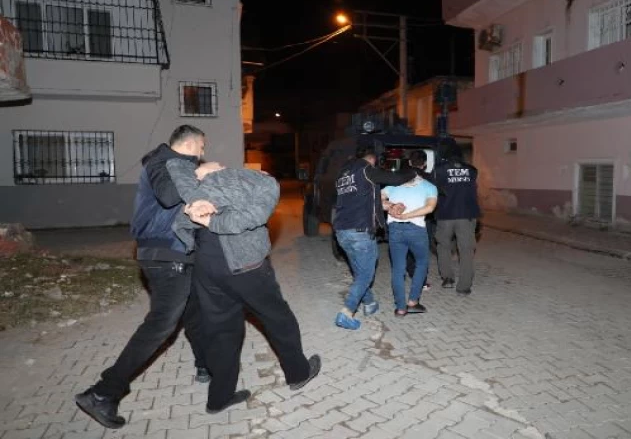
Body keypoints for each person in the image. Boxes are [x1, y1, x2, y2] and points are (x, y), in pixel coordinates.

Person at [75, 125, 211, 429]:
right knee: (161, 325)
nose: (203, 153)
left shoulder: (174, 165)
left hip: (174, 253)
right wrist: (200, 172)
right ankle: (102, 393)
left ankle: (205, 365)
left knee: (194, 312)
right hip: (166, 256)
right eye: (202, 147)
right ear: (191, 144)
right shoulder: (163, 163)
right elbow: (168, 196)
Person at [166, 157, 320, 414]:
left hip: (207, 266)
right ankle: (298, 373)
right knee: (278, 319)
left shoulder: (197, 190)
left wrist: (199, 216)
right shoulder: (263, 182)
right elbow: (252, 217)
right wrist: (211, 221)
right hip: (245, 267)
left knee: (221, 332)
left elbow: (180, 222)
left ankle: (219, 397)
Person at [333, 142, 416, 330]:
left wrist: (389, 205)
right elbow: (395, 178)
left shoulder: (343, 174)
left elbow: (366, 201)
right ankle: (347, 312)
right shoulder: (366, 170)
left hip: (341, 232)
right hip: (360, 232)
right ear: (372, 159)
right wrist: (412, 172)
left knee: (359, 271)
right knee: (366, 274)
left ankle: (369, 303)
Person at [382, 162, 438, 316]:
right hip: (416, 230)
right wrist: (407, 215)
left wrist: (391, 206)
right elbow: (430, 208)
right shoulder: (429, 186)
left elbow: (377, 199)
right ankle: (413, 302)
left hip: (395, 230)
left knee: (398, 269)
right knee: (422, 263)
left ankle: (400, 308)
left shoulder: (393, 185)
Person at [435, 148, 481, 295]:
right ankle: (464, 287)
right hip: (466, 215)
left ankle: (447, 278)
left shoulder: (439, 169)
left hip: (445, 215)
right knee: (466, 250)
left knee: (443, 246)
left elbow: (434, 189)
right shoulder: (472, 170)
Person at [404, 150, 437, 291]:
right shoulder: (430, 178)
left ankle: (409, 271)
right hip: (423, 219)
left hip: (404, 218)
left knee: (406, 248)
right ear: (424, 164)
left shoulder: (400, 177)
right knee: (421, 251)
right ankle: (421, 281)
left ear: (409, 162)